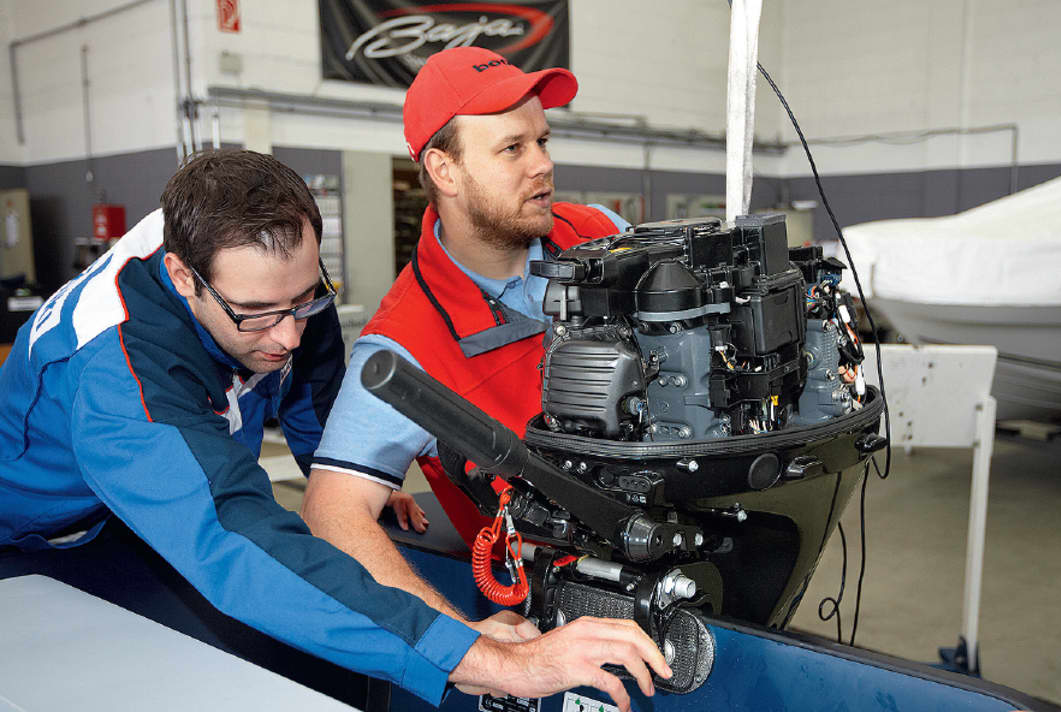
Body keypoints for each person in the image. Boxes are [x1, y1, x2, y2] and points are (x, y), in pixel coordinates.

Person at [0, 149, 668, 710]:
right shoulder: (116, 378)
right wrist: (485, 659)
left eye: (306, 299)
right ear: (183, 278)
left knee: (318, 664)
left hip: (163, 495)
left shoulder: (252, 259)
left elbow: (311, 387)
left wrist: (343, 470)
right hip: (45, 539)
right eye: (258, 314)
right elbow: (234, 539)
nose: (290, 334)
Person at [304, 45, 628, 608]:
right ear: (443, 169)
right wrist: (469, 645)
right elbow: (329, 514)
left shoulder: (600, 232)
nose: (542, 164)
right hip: (559, 599)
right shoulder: (404, 344)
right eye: (512, 148)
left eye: (543, 141)